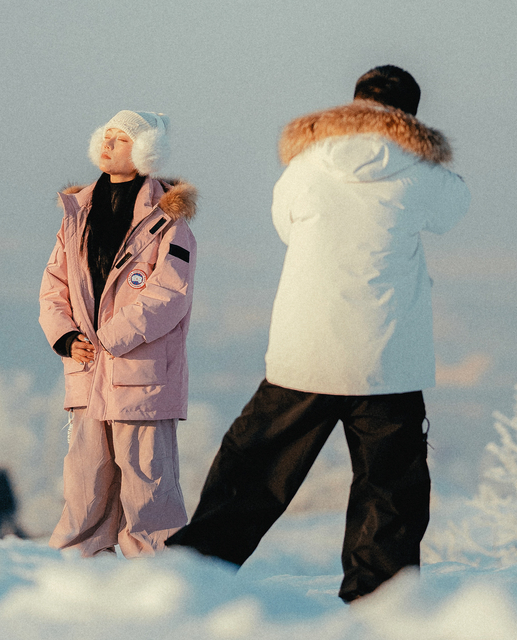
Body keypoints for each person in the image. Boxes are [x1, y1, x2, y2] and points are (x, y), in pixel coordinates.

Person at [167, 66, 470, 601]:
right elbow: (454, 209)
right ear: (409, 115)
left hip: (305, 350)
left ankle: (193, 570)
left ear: (353, 103)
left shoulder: (305, 165)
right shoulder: (421, 173)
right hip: (386, 358)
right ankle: (381, 599)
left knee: (254, 466)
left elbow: (287, 228)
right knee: (389, 485)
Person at [39, 110, 197, 558]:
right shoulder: (76, 214)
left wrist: (112, 336)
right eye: (106, 136)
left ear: (147, 151)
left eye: (121, 139)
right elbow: (54, 286)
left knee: (149, 486)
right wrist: (65, 337)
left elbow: (171, 293)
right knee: (85, 482)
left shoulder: (169, 220)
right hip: (87, 370)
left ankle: (160, 572)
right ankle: (78, 567)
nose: (108, 144)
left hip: (142, 376)